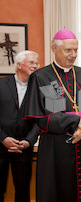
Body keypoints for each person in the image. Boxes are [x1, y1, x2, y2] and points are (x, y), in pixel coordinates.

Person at [23, 28, 81, 202]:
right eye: (68, 50)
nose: (73, 54)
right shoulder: (43, 77)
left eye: (75, 50)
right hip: (55, 146)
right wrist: (77, 122)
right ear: (54, 48)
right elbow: (46, 116)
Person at [0, 50, 39, 202]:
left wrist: (29, 141)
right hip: (0, 146)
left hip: (24, 147)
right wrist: (3, 138)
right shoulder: (2, 84)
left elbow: (42, 119)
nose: (35, 66)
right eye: (31, 62)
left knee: (23, 191)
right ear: (19, 64)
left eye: (37, 63)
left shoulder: (41, 88)